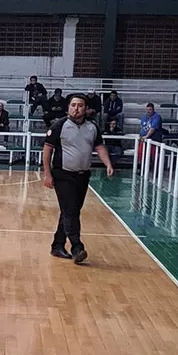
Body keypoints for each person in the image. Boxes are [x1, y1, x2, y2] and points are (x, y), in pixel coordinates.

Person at [42, 93, 114, 266]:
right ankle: (77, 247)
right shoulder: (59, 126)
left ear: (86, 108)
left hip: (82, 176)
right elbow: (47, 150)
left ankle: (57, 245)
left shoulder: (92, 127)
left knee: (70, 211)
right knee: (70, 212)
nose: (76, 108)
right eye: (73, 105)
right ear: (68, 107)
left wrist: (108, 164)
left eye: (80, 105)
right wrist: (47, 174)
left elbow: (100, 147)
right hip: (63, 175)